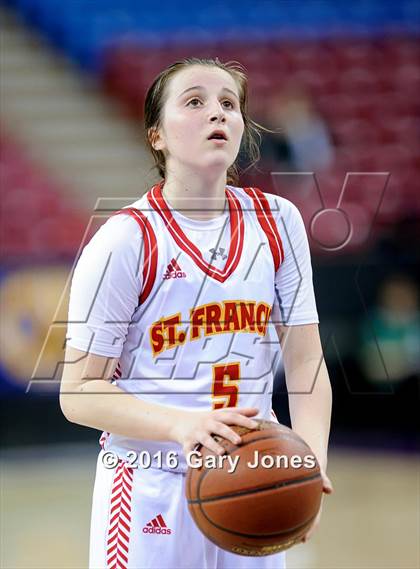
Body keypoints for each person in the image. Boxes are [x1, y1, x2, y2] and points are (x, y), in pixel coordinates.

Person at [60, 57, 333, 569]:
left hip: (257, 473)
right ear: (156, 136)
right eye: (195, 102)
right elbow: (78, 393)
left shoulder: (278, 223)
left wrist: (307, 462)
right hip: (149, 485)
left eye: (229, 104)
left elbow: (305, 364)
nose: (218, 114)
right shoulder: (126, 240)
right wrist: (183, 426)